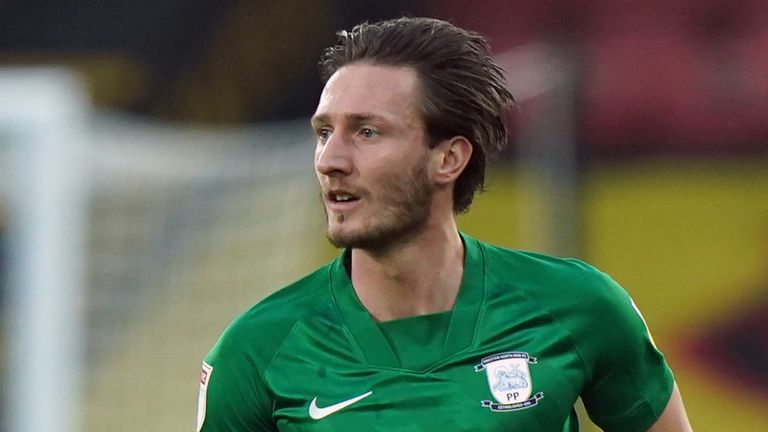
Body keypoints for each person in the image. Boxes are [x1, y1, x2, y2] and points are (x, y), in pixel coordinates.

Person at [197, 17, 692, 431]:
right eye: (324, 132)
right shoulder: (258, 349)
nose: (330, 159)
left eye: (367, 131)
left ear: (448, 158)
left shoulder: (580, 307)